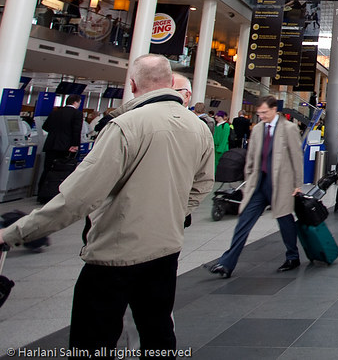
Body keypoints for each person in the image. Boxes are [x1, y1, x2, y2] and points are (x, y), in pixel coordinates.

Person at [1, 54, 214, 353]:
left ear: (133, 84)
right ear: (170, 82)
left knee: (93, 341)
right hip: (166, 250)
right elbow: (203, 184)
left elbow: (78, 197)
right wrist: (172, 213)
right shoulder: (198, 127)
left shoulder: (125, 126)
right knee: (158, 333)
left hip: (115, 253)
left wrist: (14, 233)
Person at [206, 96, 305, 277]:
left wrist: (297, 184)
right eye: (259, 113)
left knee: (285, 221)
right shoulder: (258, 129)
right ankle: (226, 263)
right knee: (244, 222)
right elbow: (251, 155)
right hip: (259, 184)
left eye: (265, 112)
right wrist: (250, 175)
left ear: (275, 110)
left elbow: (296, 157)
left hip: (280, 184)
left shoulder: (289, 129)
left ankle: (293, 256)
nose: (261, 116)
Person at [38, 93, 83, 201]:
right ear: (75, 102)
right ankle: (56, 194)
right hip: (65, 147)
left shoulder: (55, 112)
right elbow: (76, 131)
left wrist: (55, 134)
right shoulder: (77, 114)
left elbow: (45, 126)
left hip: (51, 145)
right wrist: (75, 145)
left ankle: (42, 194)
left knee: (47, 169)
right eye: (79, 103)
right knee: (62, 170)